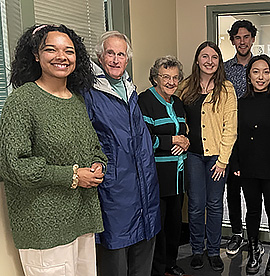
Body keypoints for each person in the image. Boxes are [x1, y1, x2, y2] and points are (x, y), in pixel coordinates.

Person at [0, 24, 107, 276]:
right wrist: (72, 176)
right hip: (43, 226)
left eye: (69, 51)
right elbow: (14, 165)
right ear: (36, 55)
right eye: (51, 49)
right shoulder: (22, 101)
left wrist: (97, 163)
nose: (62, 57)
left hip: (82, 218)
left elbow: (94, 147)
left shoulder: (76, 100)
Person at [83, 31, 161, 276]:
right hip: (114, 189)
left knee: (144, 251)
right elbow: (87, 143)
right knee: (115, 257)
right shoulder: (90, 92)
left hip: (145, 185)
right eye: (110, 53)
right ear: (100, 56)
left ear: (127, 59)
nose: (116, 60)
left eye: (121, 54)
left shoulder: (131, 89)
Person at [176, 41, 237, 272]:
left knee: (214, 205)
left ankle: (213, 251)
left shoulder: (226, 89)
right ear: (197, 60)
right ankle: (196, 250)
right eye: (205, 56)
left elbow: (230, 128)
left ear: (219, 61)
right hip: (192, 155)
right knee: (195, 205)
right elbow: (176, 116)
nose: (209, 61)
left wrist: (223, 160)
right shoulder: (185, 88)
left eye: (214, 57)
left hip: (216, 158)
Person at [230, 54, 270, 275]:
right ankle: (255, 251)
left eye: (266, 72)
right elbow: (234, 135)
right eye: (256, 71)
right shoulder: (241, 103)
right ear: (249, 75)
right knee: (253, 211)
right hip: (247, 167)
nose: (261, 76)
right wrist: (236, 163)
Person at [138, 56, 189, 276]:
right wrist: (172, 141)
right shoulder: (145, 100)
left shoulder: (177, 102)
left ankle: (171, 263)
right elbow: (143, 139)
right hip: (157, 176)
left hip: (178, 176)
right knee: (158, 225)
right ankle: (157, 268)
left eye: (175, 77)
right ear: (155, 78)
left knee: (175, 223)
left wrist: (185, 140)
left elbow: (185, 129)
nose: (171, 82)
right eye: (165, 77)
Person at [223, 19, 257, 256]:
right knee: (232, 190)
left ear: (253, 39)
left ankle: (254, 236)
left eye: (246, 37)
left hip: (256, 138)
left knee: (254, 190)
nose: (242, 41)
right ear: (233, 40)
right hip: (230, 138)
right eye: (238, 37)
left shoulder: (261, 66)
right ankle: (236, 233)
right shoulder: (224, 69)